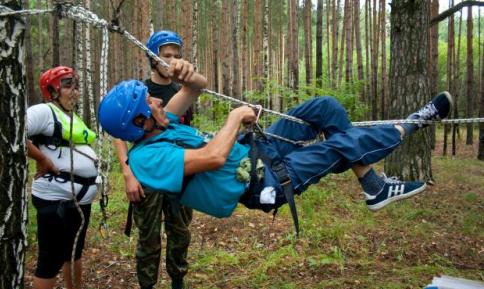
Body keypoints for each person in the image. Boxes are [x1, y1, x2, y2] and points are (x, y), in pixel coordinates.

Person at [99, 60, 452, 238]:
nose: (157, 101)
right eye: (149, 103)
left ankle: (372, 186)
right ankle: (411, 124)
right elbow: (212, 157)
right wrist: (236, 116)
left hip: (254, 151)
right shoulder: (146, 159)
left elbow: (196, 88)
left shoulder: (161, 123)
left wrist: (186, 73)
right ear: (139, 123)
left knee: (325, 108)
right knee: (337, 146)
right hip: (261, 183)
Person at [113, 30, 201, 289]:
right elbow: (120, 135)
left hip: (178, 174)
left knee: (180, 233)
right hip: (148, 178)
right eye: (167, 54)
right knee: (148, 239)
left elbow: (186, 131)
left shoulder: (182, 90)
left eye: (177, 54)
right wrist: (128, 174)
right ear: (152, 56)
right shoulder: (141, 93)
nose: (173, 60)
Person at [27, 66, 105, 289]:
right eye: (68, 84)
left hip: (77, 201)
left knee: (75, 251)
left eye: (76, 84)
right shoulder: (43, 111)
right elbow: (13, 128)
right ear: (51, 90)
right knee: (48, 261)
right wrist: (41, 159)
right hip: (55, 200)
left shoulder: (69, 115)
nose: (75, 89)